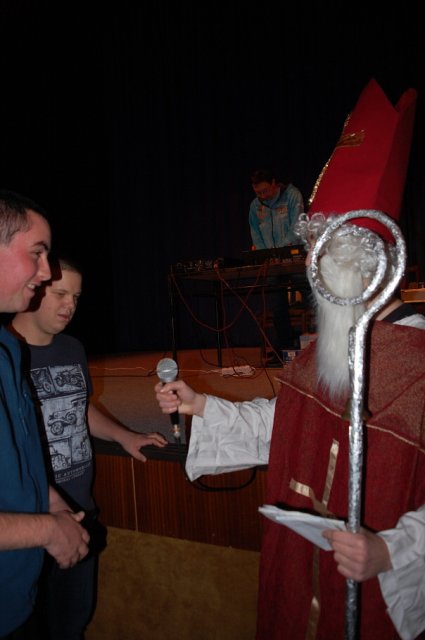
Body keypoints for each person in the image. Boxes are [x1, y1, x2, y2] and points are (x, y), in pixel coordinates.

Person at [154, 80, 425, 639]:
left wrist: (393, 549)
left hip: (379, 589)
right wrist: (202, 405)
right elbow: (285, 428)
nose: (313, 285)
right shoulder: (329, 351)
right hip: (304, 574)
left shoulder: (419, 361)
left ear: (362, 271)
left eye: (324, 270)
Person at [9, 255, 168, 640]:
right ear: (33, 289)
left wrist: (124, 435)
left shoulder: (72, 348)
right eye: (61, 294)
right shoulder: (6, 354)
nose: (71, 305)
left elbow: (78, 407)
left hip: (81, 512)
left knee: (72, 625)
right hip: (31, 524)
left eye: (76, 297)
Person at [0, 191, 90, 639]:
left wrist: (51, 501)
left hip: (18, 596)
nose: (45, 270)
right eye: (37, 253)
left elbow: (18, 456)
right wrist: (49, 529)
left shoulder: (5, 351)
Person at [246, 168, 305, 363]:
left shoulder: (292, 195)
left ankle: (315, 346)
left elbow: (297, 227)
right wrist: (266, 255)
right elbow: (256, 234)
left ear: (274, 183)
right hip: (272, 264)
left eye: (265, 191)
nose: (262, 196)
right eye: (258, 193)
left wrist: (280, 252)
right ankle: (284, 350)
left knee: (310, 297)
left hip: (294, 259)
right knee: (276, 305)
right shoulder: (255, 206)